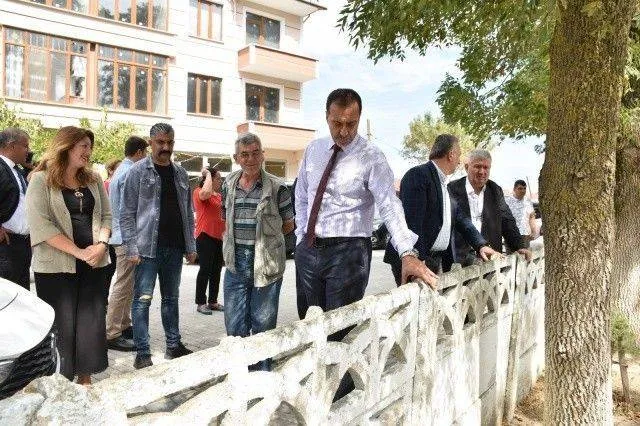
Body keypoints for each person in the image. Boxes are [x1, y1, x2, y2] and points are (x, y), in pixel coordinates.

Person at [295, 88, 436, 319]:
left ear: (359, 118)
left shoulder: (371, 156)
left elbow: (389, 205)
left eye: (351, 124)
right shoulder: (313, 150)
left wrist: (407, 252)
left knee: (339, 328)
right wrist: (301, 239)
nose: (344, 131)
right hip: (308, 250)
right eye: (337, 123)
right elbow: (302, 197)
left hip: (349, 253)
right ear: (326, 116)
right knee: (306, 325)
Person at [25, 126, 112, 385]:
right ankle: (60, 381)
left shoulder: (94, 179)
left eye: (90, 147)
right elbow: (41, 226)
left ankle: (85, 379)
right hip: (56, 267)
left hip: (93, 262)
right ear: (66, 146)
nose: (88, 151)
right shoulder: (40, 180)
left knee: (90, 323)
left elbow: (107, 216)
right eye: (83, 146)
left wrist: (102, 244)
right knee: (61, 326)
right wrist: (78, 252)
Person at [120, 123, 196, 370]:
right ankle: (143, 353)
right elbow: (126, 213)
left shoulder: (181, 173)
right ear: (150, 142)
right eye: (161, 142)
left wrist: (190, 245)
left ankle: (173, 346)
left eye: (170, 142)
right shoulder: (137, 172)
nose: (165, 147)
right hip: (145, 251)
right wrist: (131, 247)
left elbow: (187, 211)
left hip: (174, 248)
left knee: (171, 299)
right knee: (142, 301)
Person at [222, 133, 294, 370]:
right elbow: (225, 218)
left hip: (265, 263)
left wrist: (267, 243)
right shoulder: (228, 184)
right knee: (234, 326)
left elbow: (289, 224)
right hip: (235, 263)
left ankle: (262, 375)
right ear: (236, 158)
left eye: (255, 153)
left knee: (263, 325)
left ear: (263, 155)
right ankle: (241, 373)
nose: (251, 159)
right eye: (245, 154)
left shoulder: (278, 187)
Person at [384, 135, 500, 283]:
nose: (459, 161)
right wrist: (417, 259)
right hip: (415, 260)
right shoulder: (418, 175)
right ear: (451, 154)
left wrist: (481, 245)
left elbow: (462, 220)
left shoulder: (444, 184)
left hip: (432, 260)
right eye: (458, 155)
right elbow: (411, 222)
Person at [448, 150, 531, 267]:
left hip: (490, 257)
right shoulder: (452, 189)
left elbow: (507, 221)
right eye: (477, 166)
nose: (482, 171)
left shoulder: (495, 190)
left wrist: (519, 246)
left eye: (486, 167)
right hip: (458, 258)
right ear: (467, 167)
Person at [105, 136, 148, 352]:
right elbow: (129, 209)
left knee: (127, 284)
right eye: (145, 152)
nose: (146, 157)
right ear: (139, 152)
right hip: (126, 237)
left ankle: (123, 324)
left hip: (122, 235)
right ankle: (112, 332)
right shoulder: (130, 171)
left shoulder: (121, 170)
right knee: (123, 285)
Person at [0, 128, 32, 290]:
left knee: (21, 294)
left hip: (21, 245)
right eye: (25, 146)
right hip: (6, 245)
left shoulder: (16, 170)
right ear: (12, 146)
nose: (28, 150)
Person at [193, 166, 225, 315]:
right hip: (204, 235)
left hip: (219, 237)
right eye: (218, 178)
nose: (220, 181)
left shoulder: (218, 196)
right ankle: (201, 302)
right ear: (210, 179)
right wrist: (207, 174)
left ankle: (213, 301)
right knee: (205, 269)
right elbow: (205, 193)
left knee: (216, 270)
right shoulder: (199, 192)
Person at [505, 179, 538, 247]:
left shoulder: (528, 201)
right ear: (514, 189)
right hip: (511, 235)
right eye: (520, 188)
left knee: (525, 253)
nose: (523, 191)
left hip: (525, 235)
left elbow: (531, 217)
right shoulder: (507, 201)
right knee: (512, 254)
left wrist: (533, 231)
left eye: (524, 188)